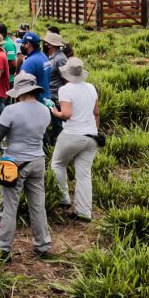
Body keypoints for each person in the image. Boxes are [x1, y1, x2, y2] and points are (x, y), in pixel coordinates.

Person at [0, 72, 53, 261]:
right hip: (38, 161)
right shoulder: (45, 110)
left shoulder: (11, 110)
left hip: (14, 163)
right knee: (38, 205)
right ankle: (43, 245)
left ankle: (3, 249)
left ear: (19, 91)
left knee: (9, 207)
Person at [50, 58, 100, 222]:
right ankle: (84, 212)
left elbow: (66, 114)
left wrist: (53, 111)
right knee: (84, 174)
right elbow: (96, 113)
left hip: (72, 135)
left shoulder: (66, 89)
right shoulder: (91, 88)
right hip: (91, 136)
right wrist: (96, 130)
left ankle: (62, 199)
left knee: (57, 164)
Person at [44, 31, 68, 144]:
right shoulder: (52, 57)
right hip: (51, 94)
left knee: (57, 123)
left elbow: (66, 78)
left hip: (56, 95)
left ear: (51, 45)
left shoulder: (60, 59)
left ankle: (59, 143)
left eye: (46, 43)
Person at [17, 32, 51, 100]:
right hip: (46, 99)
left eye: (23, 43)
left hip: (35, 101)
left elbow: (23, 87)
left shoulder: (30, 62)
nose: (22, 46)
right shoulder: (44, 57)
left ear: (28, 44)